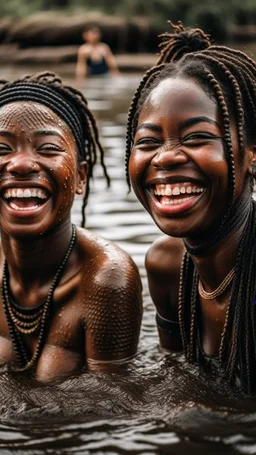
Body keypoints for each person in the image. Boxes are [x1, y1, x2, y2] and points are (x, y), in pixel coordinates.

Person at [125, 21, 256, 396]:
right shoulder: (166, 265)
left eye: (198, 137)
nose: (165, 158)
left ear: (251, 154)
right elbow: (176, 383)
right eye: (147, 141)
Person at [0, 71, 142, 381]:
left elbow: (112, 402)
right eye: (2, 149)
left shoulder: (106, 279)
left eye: (48, 148)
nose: (21, 164)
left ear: (80, 177)